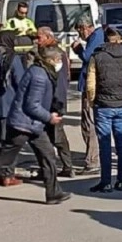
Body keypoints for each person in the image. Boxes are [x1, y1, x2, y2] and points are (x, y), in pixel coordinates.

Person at [0, 46, 72, 206]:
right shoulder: (39, 76)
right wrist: (49, 117)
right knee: (5, 158)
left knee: (48, 155)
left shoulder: (40, 72)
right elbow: (31, 105)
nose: (60, 63)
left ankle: (53, 193)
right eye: (59, 60)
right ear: (51, 60)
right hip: (23, 124)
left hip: (32, 124)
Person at [86, 28, 122, 192]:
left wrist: (92, 101)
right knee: (121, 143)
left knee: (105, 144)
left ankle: (106, 181)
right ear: (119, 39)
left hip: (103, 105)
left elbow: (90, 84)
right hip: (121, 105)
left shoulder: (97, 56)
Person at [0, 30, 26, 186]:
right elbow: (20, 82)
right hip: (8, 106)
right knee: (9, 143)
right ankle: (8, 175)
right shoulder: (12, 58)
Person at [36, 27, 73, 177]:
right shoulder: (57, 51)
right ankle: (48, 167)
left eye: (39, 38)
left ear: (47, 37)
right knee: (48, 136)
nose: (37, 41)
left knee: (56, 137)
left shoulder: (52, 53)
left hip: (54, 100)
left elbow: (58, 79)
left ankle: (66, 167)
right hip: (53, 99)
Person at [71, 16, 104, 175]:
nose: (79, 35)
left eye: (79, 31)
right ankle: (93, 157)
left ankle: (92, 160)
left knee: (89, 124)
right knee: (90, 123)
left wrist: (78, 49)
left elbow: (87, 57)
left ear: (86, 28)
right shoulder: (98, 36)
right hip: (93, 86)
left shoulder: (96, 37)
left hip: (92, 87)